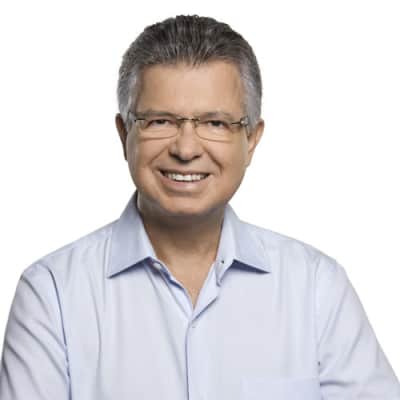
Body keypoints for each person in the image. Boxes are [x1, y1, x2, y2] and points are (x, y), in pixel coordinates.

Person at [0, 14, 399, 400]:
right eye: (160, 121)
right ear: (124, 135)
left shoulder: (316, 287)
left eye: (215, 123)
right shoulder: (52, 292)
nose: (186, 149)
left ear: (252, 140)